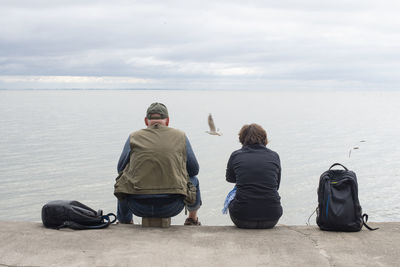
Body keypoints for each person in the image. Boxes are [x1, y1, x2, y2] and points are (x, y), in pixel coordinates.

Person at [114, 102, 201, 225]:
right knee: (193, 179)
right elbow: (194, 170)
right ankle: (192, 219)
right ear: (167, 120)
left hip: (138, 207)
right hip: (172, 206)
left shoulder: (133, 137)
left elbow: (120, 169)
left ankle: (125, 222)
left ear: (146, 121)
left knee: (122, 179)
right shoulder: (181, 136)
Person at [225, 123, 282, 229]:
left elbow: (230, 179)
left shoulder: (236, 155)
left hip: (241, 218)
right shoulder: (274, 156)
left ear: (242, 139)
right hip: (272, 217)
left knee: (233, 194)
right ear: (264, 138)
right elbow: (276, 185)